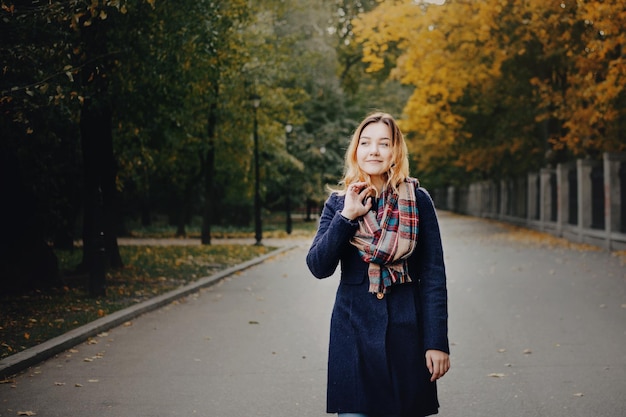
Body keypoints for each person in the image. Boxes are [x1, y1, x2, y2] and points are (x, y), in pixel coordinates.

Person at [306, 112, 450, 417]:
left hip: (407, 334)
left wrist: (437, 342)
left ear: (395, 152)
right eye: (366, 142)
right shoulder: (339, 203)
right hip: (352, 333)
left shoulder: (418, 200)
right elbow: (319, 266)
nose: (374, 150)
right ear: (356, 151)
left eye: (384, 143)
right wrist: (347, 218)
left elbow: (433, 276)